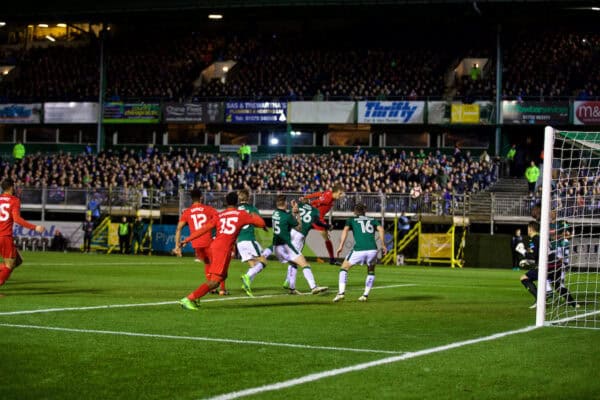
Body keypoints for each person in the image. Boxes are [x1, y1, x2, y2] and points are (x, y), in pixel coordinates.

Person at [175, 191, 266, 311]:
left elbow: (204, 228)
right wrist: (254, 215)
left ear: (226, 202)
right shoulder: (241, 214)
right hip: (222, 250)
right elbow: (261, 223)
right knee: (214, 282)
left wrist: (187, 239)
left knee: (222, 276)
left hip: (216, 246)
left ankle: (195, 297)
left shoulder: (220, 215)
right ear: (237, 202)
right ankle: (189, 299)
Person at [271, 195, 328, 295]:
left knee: (294, 261)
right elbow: (314, 222)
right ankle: (313, 286)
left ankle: (291, 286)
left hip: (287, 235)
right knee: (302, 262)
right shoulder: (315, 210)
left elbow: (289, 216)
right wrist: (327, 226)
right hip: (299, 234)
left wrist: (294, 209)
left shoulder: (293, 207)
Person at [333, 204, 387, 302]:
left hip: (359, 249)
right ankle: (365, 295)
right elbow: (381, 229)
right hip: (373, 250)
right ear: (364, 211)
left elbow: (345, 230)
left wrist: (341, 246)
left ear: (355, 211)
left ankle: (341, 293)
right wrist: (383, 245)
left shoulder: (351, 220)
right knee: (371, 270)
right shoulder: (372, 219)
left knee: (344, 268)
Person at [518, 221, 578, 309]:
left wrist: (523, 252)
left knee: (524, 278)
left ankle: (540, 300)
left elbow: (535, 255)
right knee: (557, 285)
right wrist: (529, 260)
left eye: (528, 228)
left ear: (530, 229)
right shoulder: (542, 238)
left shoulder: (533, 239)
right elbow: (543, 253)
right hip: (556, 264)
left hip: (547, 266)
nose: (527, 230)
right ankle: (573, 303)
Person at [174, 189, 224, 293]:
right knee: (218, 264)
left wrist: (176, 246)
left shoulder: (187, 212)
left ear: (191, 199)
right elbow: (220, 220)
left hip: (196, 244)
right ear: (201, 197)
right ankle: (222, 290)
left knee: (207, 263)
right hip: (208, 241)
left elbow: (178, 228)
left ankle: (212, 288)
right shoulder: (208, 209)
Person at [0, 178, 46, 287]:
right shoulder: (14, 200)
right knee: (10, 265)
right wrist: (35, 227)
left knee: (18, 261)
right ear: (11, 187)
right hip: (4, 236)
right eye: (15, 185)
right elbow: (17, 219)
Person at [300, 184, 345, 265]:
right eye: (340, 193)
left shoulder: (328, 193)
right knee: (326, 239)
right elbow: (317, 201)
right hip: (317, 219)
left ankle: (332, 259)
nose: (341, 195)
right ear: (335, 192)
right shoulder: (328, 198)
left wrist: (307, 197)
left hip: (315, 217)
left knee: (302, 236)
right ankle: (332, 259)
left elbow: (319, 194)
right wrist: (308, 201)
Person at [237, 189, 268, 297]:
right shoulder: (252, 209)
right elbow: (259, 221)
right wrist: (263, 227)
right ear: (248, 198)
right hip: (249, 239)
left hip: (239, 242)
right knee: (264, 261)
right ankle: (247, 276)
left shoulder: (236, 210)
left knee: (253, 265)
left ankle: (247, 284)